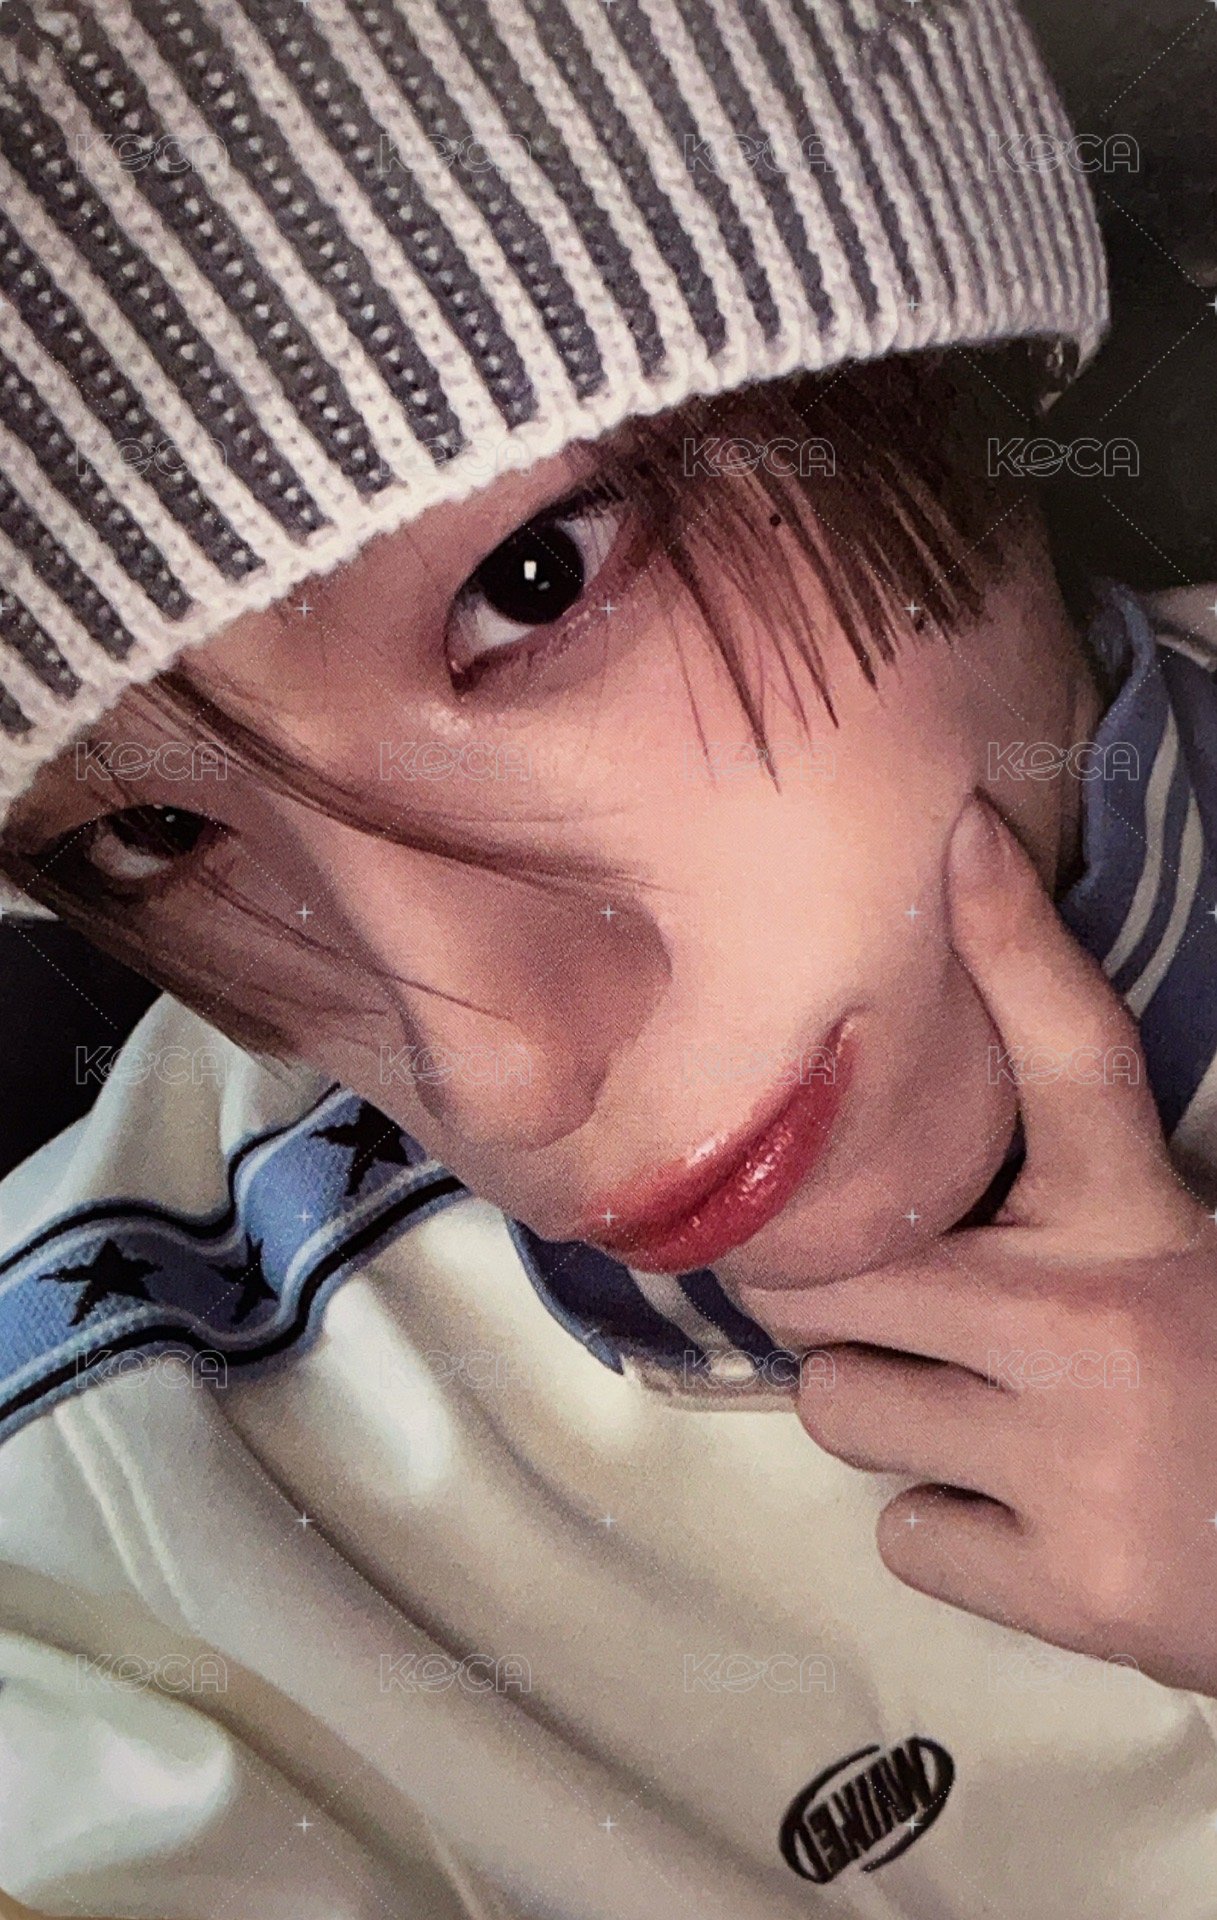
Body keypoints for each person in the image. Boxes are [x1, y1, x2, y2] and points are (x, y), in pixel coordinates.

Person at [0, 0, 1214, 1914]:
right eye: (148, 835)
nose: (493, 1069)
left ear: (932, 342)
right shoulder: (114, 1526)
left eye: (533, 581)